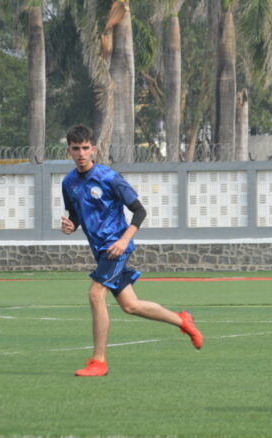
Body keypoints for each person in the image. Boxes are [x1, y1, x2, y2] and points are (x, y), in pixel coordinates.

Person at [60, 125, 203, 377]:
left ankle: (99, 361)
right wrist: (71, 225)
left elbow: (139, 211)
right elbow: (75, 216)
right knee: (131, 305)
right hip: (101, 251)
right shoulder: (68, 183)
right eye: (75, 148)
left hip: (116, 247)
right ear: (69, 151)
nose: (81, 153)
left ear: (93, 149)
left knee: (95, 294)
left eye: (85, 148)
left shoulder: (109, 178)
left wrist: (124, 241)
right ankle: (183, 320)